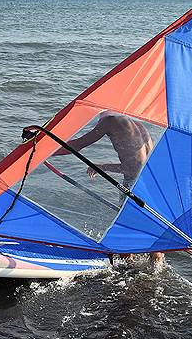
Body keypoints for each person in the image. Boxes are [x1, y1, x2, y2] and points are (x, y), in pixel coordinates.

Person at [55, 111, 163, 264]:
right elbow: (135, 165)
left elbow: (77, 145)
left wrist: (43, 151)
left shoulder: (109, 120)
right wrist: (102, 167)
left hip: (133, 185)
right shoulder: (136, 124)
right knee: (149, 231)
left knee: (126, 231)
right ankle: (156, 270)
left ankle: (128, 271)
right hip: (150, 183)